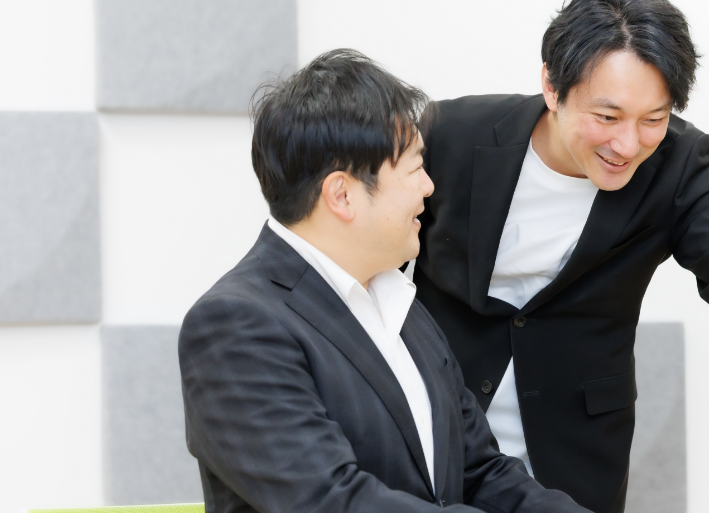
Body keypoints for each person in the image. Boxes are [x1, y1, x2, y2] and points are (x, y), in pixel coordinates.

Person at [412, 0, 709, 511]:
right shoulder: (450, 133)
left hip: (577, 448)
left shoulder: (681, 164)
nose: (627, 145)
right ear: (551, 86)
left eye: (654, 118)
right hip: (439, 422)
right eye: (607, 116)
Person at [178, 49, 589, 513]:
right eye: (414, 169)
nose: (428, 187)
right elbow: (331, 501)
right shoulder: (235, 326)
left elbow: (478, 470)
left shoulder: (400, 302)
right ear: (342, 195)